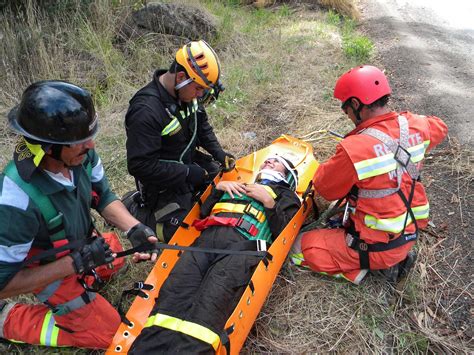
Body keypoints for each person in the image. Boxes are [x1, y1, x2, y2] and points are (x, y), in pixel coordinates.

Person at [0, 81, 158, 349]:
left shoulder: (79, 156)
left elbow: (104, 196)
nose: (91, 144)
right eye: (80, 141)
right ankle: (8, 318)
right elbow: (3, 283)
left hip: (82, 248)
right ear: (49, 147)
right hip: (48, 268)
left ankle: (86, 277)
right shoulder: (16, 200)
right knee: (111, 336)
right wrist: (72, 265)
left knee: (114, 250)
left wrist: (135, 228)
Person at [290, 65, 448, 284]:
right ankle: (385, 260)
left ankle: (362, 270)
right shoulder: (417, 125)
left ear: (355, 104)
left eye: (346, 109)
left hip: (375, 246)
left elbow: (325, 189)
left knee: (296, 248)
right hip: (409, 231)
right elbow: (440, 126)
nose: (347, 115)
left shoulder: (354, 149)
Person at [129, 155, 301, 354]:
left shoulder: (286, 196)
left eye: (277, 161)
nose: (268, 162)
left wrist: (269, 203)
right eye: (267, 160)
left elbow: (284, 234)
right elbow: (203, 212)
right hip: (204, 243)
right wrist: (217, 190)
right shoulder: (238, 185)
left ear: (287, 175)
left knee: (211, 304)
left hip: (242, 248)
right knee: (173, 293)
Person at [125, 40, 235, 243]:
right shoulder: (145, 111)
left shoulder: (186, 94)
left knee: (227, 185)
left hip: (188, 164)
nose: (200, 95)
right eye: (199, 89)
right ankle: (132, 207)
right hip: (162, 184)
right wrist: (186, 174)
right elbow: (140, 166)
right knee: (183, 230)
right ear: (182, 77)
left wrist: (219, 153)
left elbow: (201, 126)